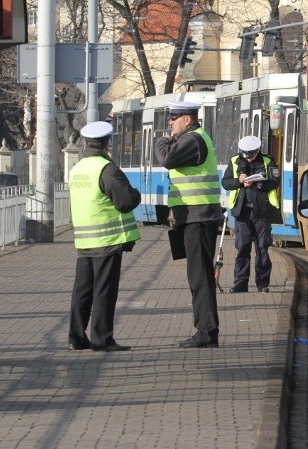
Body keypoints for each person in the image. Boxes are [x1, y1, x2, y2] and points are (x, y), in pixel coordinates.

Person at [154, 100, 223, 348]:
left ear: (188, 119)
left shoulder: (193, 140)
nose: (170, 123)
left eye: (175, 118)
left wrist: (161, 141)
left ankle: (206, 331)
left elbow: (167, 159)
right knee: (198, 274)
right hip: (194, 217)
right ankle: (206, 329)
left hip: (199, 217)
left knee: (200, 276)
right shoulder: (193, 138)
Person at [68, 121, 141, 352]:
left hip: (84, 240)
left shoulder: (78, 169)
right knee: (104, 290)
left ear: (86, 143)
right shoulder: (106, 169)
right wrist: (136, 194)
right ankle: (102, 338)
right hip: (106, 240)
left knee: (82, 291)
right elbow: (125, 201)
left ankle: (76, 338)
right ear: (106, 144)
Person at [220, 135, 280, 294]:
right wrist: (239, 181)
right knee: (242, 248)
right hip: (242, 213)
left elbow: (275, 182)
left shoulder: (268, 161)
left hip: (262, 212)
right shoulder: (234, 161)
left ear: (258, 150)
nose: (249, 158)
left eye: (252, 155)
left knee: (262, 248)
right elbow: (225, 183)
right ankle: (241, 283)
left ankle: (262, 283)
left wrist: (258, 183)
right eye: (246, 154)